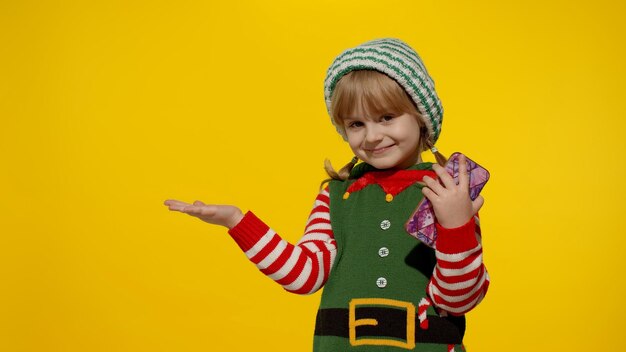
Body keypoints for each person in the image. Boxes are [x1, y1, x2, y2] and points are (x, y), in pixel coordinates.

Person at [164, 38, 489, 352]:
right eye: (356, 124)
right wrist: (236, 221)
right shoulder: (336, 196)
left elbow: (458, 299)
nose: (373, 136)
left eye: (387, 117)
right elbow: (304, 274)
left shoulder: (449, 191)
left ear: (420, 117)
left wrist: (457, 226)